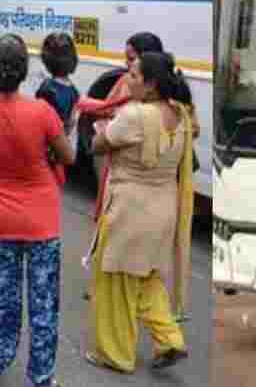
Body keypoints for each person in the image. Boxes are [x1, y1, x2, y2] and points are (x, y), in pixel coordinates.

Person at [0, 34, 75, 387]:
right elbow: (69, 156)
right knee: (43, 306)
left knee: (0, 300)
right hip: (42, 221)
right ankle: (40, 377)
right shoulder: (41, 112)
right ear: (24, 71)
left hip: (2, 221)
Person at [84, 51, 196, 374]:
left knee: (115, 280)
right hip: (163, 209)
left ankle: (116, 355)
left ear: (150, 86)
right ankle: (170, 339)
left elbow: (99, 145)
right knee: (146, 278)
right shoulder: (181, 115)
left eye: (133, 76)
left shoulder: (135, 115)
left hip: (130, 210)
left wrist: (101, 128)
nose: (127, 80)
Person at [78, 32, 165, 220]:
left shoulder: (134, 113)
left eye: (132, 60)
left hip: (129, 189)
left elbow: (106, 114)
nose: (127, 67)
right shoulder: (178, 108)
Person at [35, 32, 80, 186]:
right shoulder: (74, 91)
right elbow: (72, 122)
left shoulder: (47, 89)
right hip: (61, 148)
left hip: (44, 154)